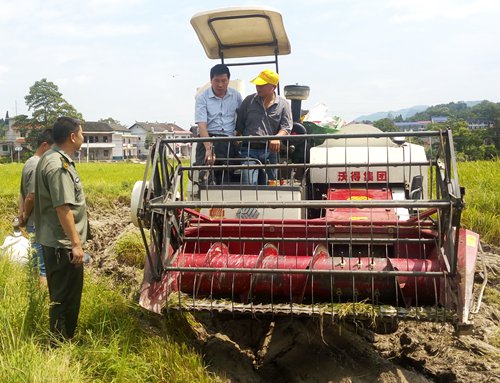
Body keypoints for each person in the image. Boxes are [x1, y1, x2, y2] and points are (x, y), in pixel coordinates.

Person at [34, 116, 89, 342]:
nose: (83, 138)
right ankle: (60, 343)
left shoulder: (50, 158)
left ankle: (61, 340)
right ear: (72, 137)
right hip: (62, 244)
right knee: (65, 297)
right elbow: (62, 207)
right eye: (82, 133)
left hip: (55, 241)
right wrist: (76, 244)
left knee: (61, 295)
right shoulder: (58, 165)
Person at [236, 69, 293, 185]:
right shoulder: (248, 101)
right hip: (249, 150)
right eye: (257, 84)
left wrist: (277, 137)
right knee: (248, 184)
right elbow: (239, 126)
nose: (258, 87)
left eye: (263, 84)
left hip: (270, 151)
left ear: (273, 87)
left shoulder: (283, 104)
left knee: (271, 186)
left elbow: (286, 127)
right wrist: (237, 140)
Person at [194, 63, 242, 184]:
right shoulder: (202, 98)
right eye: (216, 81)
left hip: (228, 141)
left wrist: (238, 137)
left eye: (224, 81)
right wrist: (208, 149)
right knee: (204, 177)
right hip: (207, 138)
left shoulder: (236, 96)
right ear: (211, 80)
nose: (220, 84)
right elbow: (202, 125)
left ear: (228, 80)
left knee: (227, 179)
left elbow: (242, 119)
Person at [18, 129, 54, 283]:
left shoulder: (29, 162)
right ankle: (42, 301)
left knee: (35, 262)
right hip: (38, 223)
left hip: (33, 223)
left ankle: (34, 293)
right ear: (45, 146)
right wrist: (25, 215)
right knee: (43, 266)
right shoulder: (38, 164)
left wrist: (22, 215)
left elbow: (22, 193)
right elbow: (31, 195)